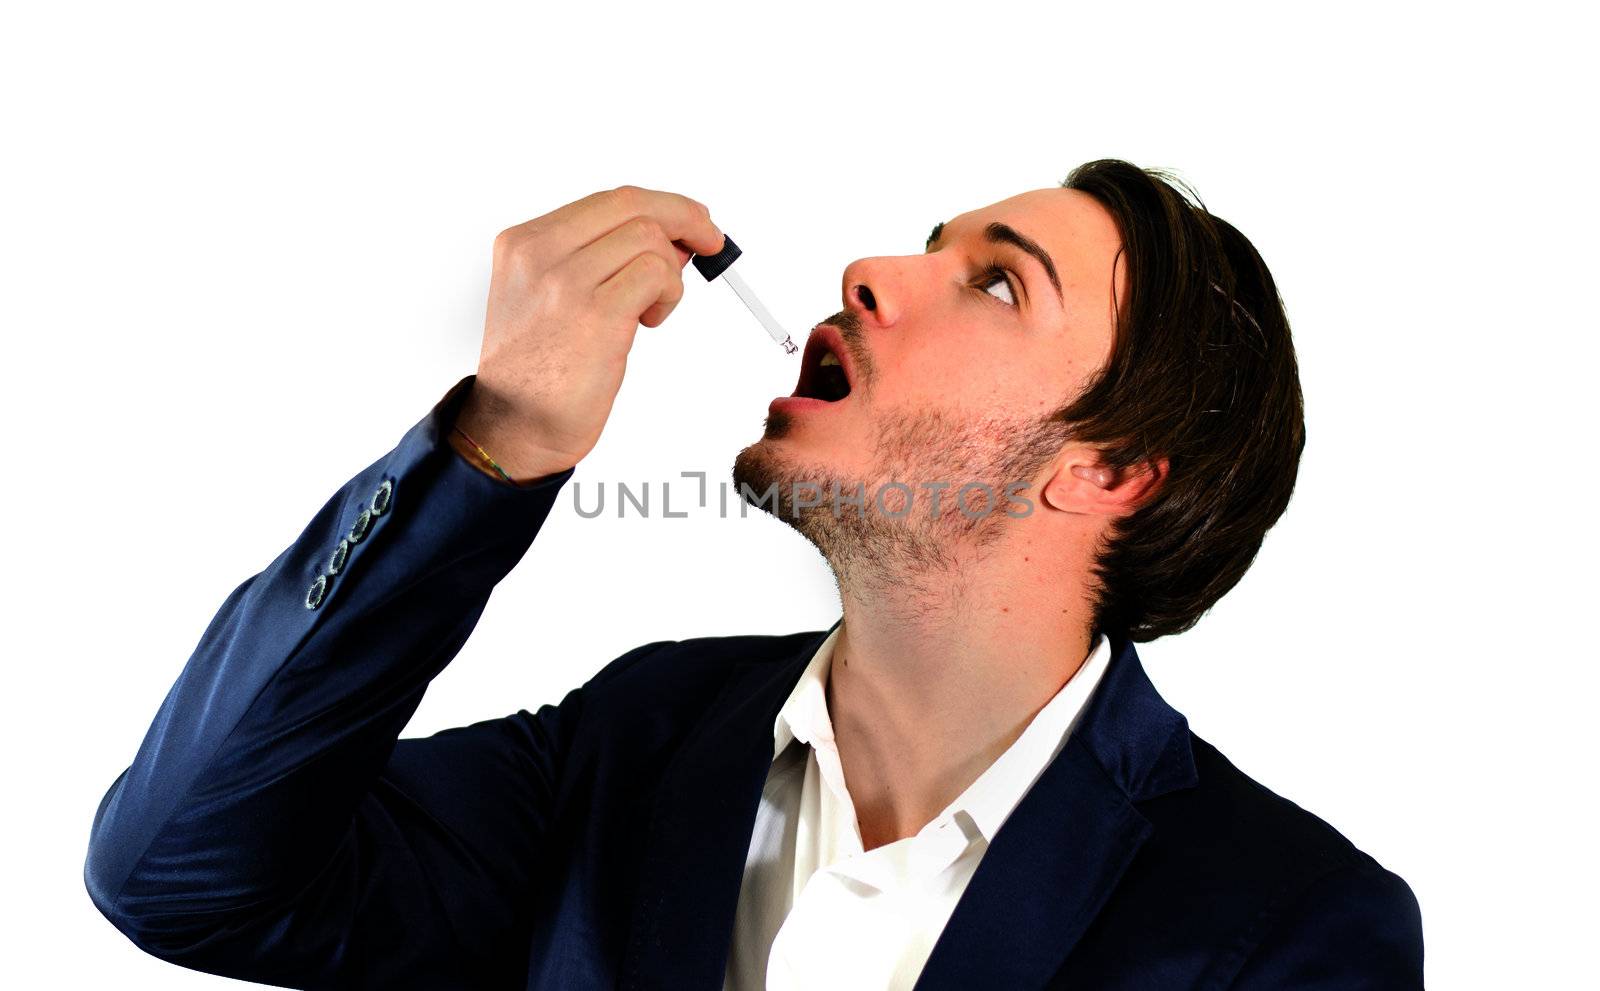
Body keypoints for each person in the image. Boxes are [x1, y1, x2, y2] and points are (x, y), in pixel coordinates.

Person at [84, 163, 1424, 989]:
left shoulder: (1291, 929)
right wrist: (496, 444)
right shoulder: (633, 746)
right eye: (931, 240)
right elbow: (182, 877)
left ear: (1113, 472)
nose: (874, 272)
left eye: (1000, 286)